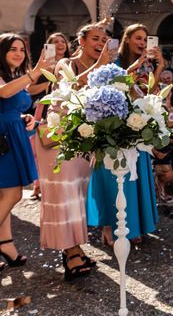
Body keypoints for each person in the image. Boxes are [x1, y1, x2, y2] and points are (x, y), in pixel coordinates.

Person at [35, 23, 112, 280]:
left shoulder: (100, 68)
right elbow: (71, 86)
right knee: (64, 195)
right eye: (95, 38)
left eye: (104, 39)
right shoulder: (64, 63)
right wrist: (100, 65)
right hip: (58, 139)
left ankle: (74, 246)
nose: (101, 43)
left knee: (78, 196)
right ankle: (71, 252)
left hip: (81, 138)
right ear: (81, 41)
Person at [86, 23, 163, 246]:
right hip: (113, 128)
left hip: (136, 127)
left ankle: (134, 226)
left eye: (145, 39)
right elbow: (114, 84)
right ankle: (110, 225)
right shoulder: (114, 61)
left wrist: (159, 68)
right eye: (138, 38)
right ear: (127, 39)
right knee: (115, 178)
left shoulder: (144, 65)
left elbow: (149, 93)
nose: (142, 43)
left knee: (133, 177)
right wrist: (136, 66)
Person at [0, 33, 48, 269]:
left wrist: (24, 116)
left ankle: (6, 245)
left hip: (12, 135)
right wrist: (36, 71)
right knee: (12, 193)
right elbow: (4, 93)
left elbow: (10, 104)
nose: (19, 53)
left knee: (3, 195)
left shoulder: (14, 75)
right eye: (13, 49)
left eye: (22, 49)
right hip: (3, 141)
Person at [28, 32, 71, 200]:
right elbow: (29, 89)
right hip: (41, 111)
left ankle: (57, 184)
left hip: (64, 113)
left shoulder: (71, 64)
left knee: (59, 149)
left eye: (63, 41)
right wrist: (49, 81)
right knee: (39, 150)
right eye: (54, 42)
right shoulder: (41, 67)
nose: (60, 45)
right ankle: (38, 184)